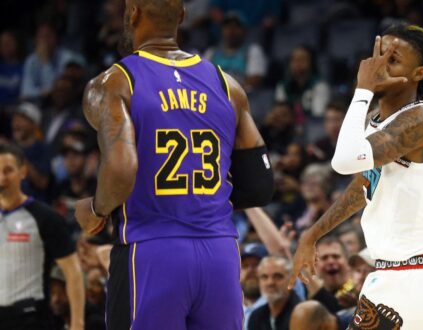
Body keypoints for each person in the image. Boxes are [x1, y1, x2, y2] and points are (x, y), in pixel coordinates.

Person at [73, 0, 274, 329]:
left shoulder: (116, 82)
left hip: (152, 252)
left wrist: (95, 210)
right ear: (181, 16)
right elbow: (260, 186)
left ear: (133, 12)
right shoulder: (229, 86)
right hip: (220, 255)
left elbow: (123, 170)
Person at [289, 23, 423, 329]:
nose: (379, 67)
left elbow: (343, 160)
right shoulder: (377, 121)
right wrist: (312, 234)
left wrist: (362, 90)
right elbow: (364, 185)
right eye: (379, 56)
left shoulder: (421, 119)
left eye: (393, 60)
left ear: (418, 74)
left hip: (412, 280)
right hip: (415, 278)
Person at [0, 143, 84, 330]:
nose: (2, 178)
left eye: (8, 171)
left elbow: (74, 272)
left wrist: (77, 324)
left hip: (31, 317)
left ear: (23, 171)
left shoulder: (45, 217)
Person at [247, 256, 300, 330]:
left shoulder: (302, 314)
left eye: (278, 276)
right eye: (264, 277)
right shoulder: (256, 316)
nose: (270, 283)